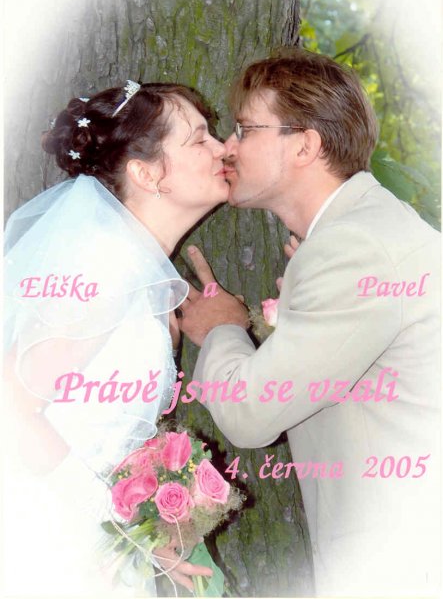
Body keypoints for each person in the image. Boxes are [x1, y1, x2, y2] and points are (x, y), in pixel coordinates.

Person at [178, 49, 441, 597]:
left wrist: (222, 328)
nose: (227, 147)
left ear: (305, 145)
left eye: (246, 129)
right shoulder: (367, 233)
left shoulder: (355, 249)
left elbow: (251, 414)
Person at [3, 81, 228, 596]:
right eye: (199, 139)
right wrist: (118, 520)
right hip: (54, 541)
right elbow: (9, 406)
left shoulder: (141, 279)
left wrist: (147, 514)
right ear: (146, 174)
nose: (222, 148)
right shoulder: (103, 266)